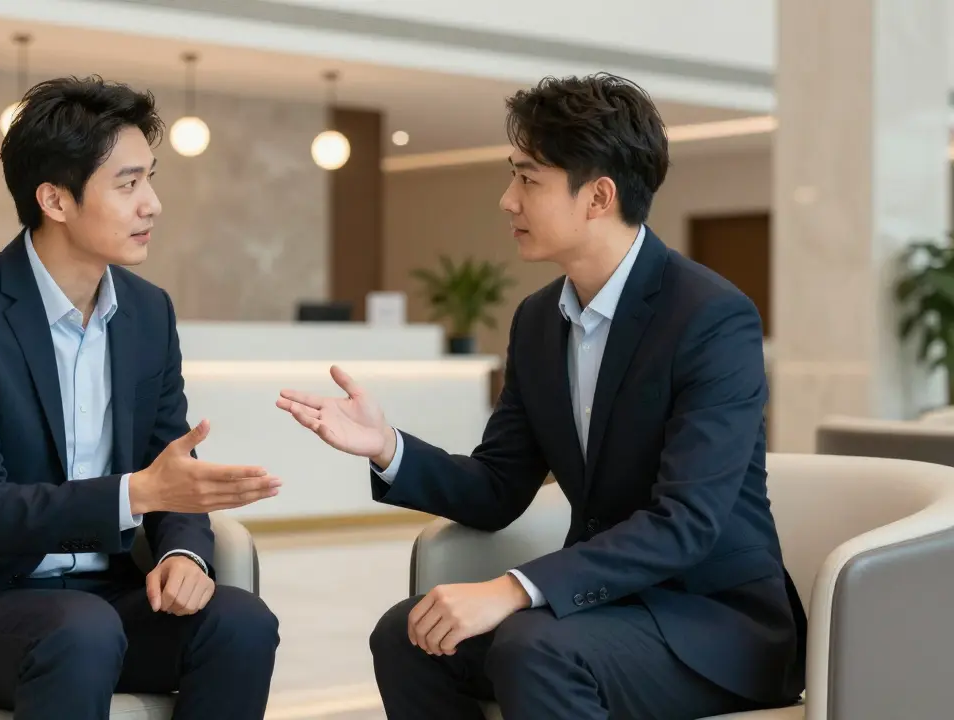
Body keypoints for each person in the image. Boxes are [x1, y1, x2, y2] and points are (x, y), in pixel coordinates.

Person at [276, 73, 806, 720]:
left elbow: (686, 522)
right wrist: (386, 447)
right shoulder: (538, 322)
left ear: (598, 197)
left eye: (528, 179)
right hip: (604, 606)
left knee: (534, 647)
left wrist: (516, 589)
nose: (507, 200)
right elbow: (499, 485)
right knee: (408, 634)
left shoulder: (711, 317)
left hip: (714, 624)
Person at [0, 76, 282, 720]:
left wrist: (183, 551)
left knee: (240, 621)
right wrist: (138, 493)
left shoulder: (147, 313)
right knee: (79, 629)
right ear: (54, 199)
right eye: (128, 183)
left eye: (151, 179)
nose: (153, 205)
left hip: (98, 600)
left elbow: (173, 466)